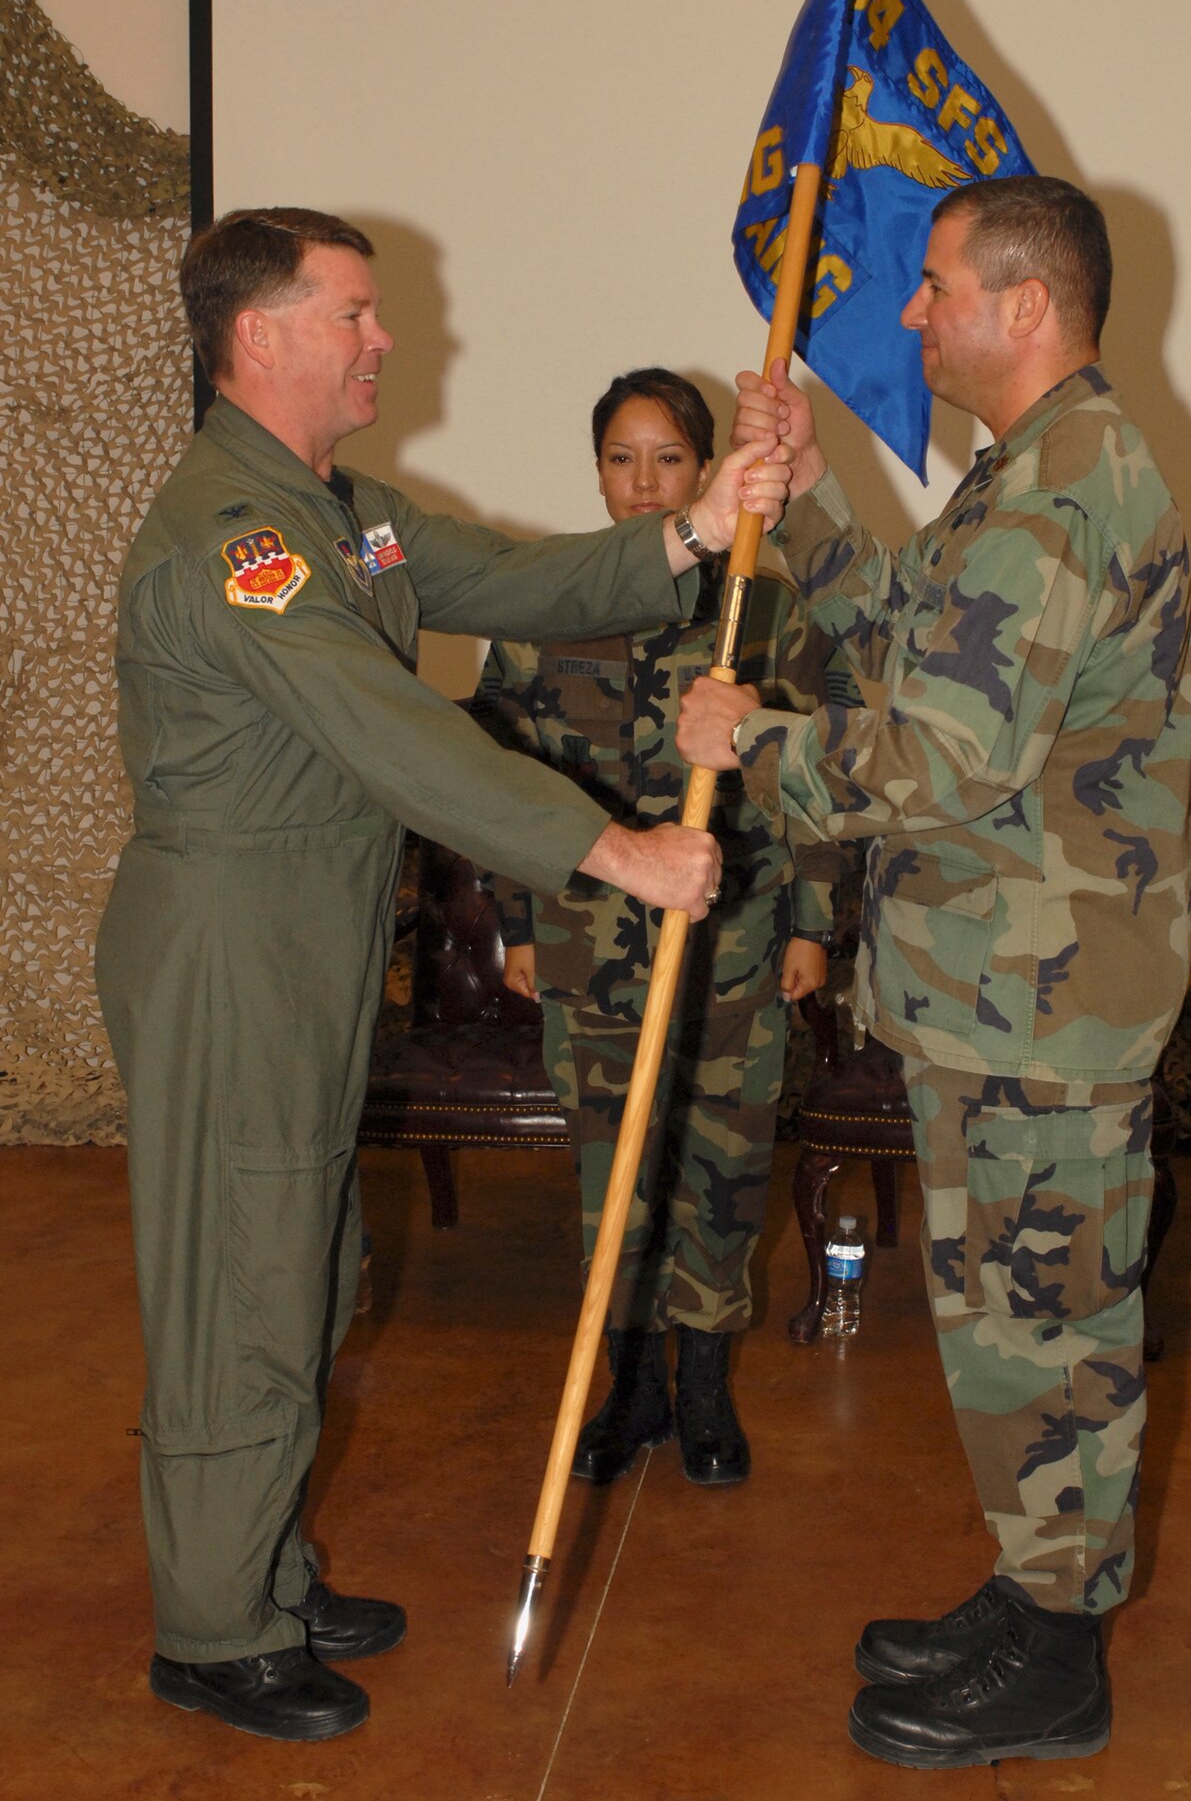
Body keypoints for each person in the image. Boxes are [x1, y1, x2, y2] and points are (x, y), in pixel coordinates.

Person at [94, 209, 790, 1745]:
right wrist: (611, 852)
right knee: (242, 1285)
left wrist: (688, 529)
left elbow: (509, 575)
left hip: (304, 937)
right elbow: (389, 728)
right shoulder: (243, 539)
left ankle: (260, 1564)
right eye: (352, 313)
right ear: (259, 334)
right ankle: (218, 1628)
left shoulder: (340, 514)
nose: (382, 339)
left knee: (305, 1260)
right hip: (231, 947)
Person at [678, 177, 1191, 1771]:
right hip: (1007, 994)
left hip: (1041, 1005)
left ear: (1023, 306)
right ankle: (1033, 1584)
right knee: (1008, 1328)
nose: (911, 313)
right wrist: (815, 503)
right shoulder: (1030, 476)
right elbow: (921, 632)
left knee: (1046, 1327)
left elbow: (947, 752)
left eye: (936, 287)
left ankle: (1057, 1652)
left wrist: (751, 748)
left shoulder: (1063, 489)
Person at [475, 368, 854, 1488]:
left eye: (669, 460)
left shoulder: (766, 607)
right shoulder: (540, 603)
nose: (643, 484)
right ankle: (627, 1384)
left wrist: (811, 925)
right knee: (614, 1167)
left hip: (732, 938)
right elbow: (494, 777)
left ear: (708, 471)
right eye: (619, 459)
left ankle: (701, 1385)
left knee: (722, 1163)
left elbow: (815, 787)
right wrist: (515, 923)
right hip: (588, 942)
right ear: (596, 472)